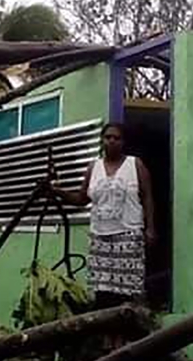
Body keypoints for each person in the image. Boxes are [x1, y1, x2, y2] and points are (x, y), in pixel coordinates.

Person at [51, 122, 156, 307]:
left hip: (128, 237)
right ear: (102, 140)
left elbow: (147, 197)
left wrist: (150, 229)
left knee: (129, 291)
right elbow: (81, 199)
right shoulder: (93, 167)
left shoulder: (135, 164)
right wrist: (57, 192)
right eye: (108, 137)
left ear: (123, 142)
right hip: (100, 239)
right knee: (103, 292)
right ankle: (106, 326)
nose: (112, 141)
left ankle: (131, 325)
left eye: (117, 138)